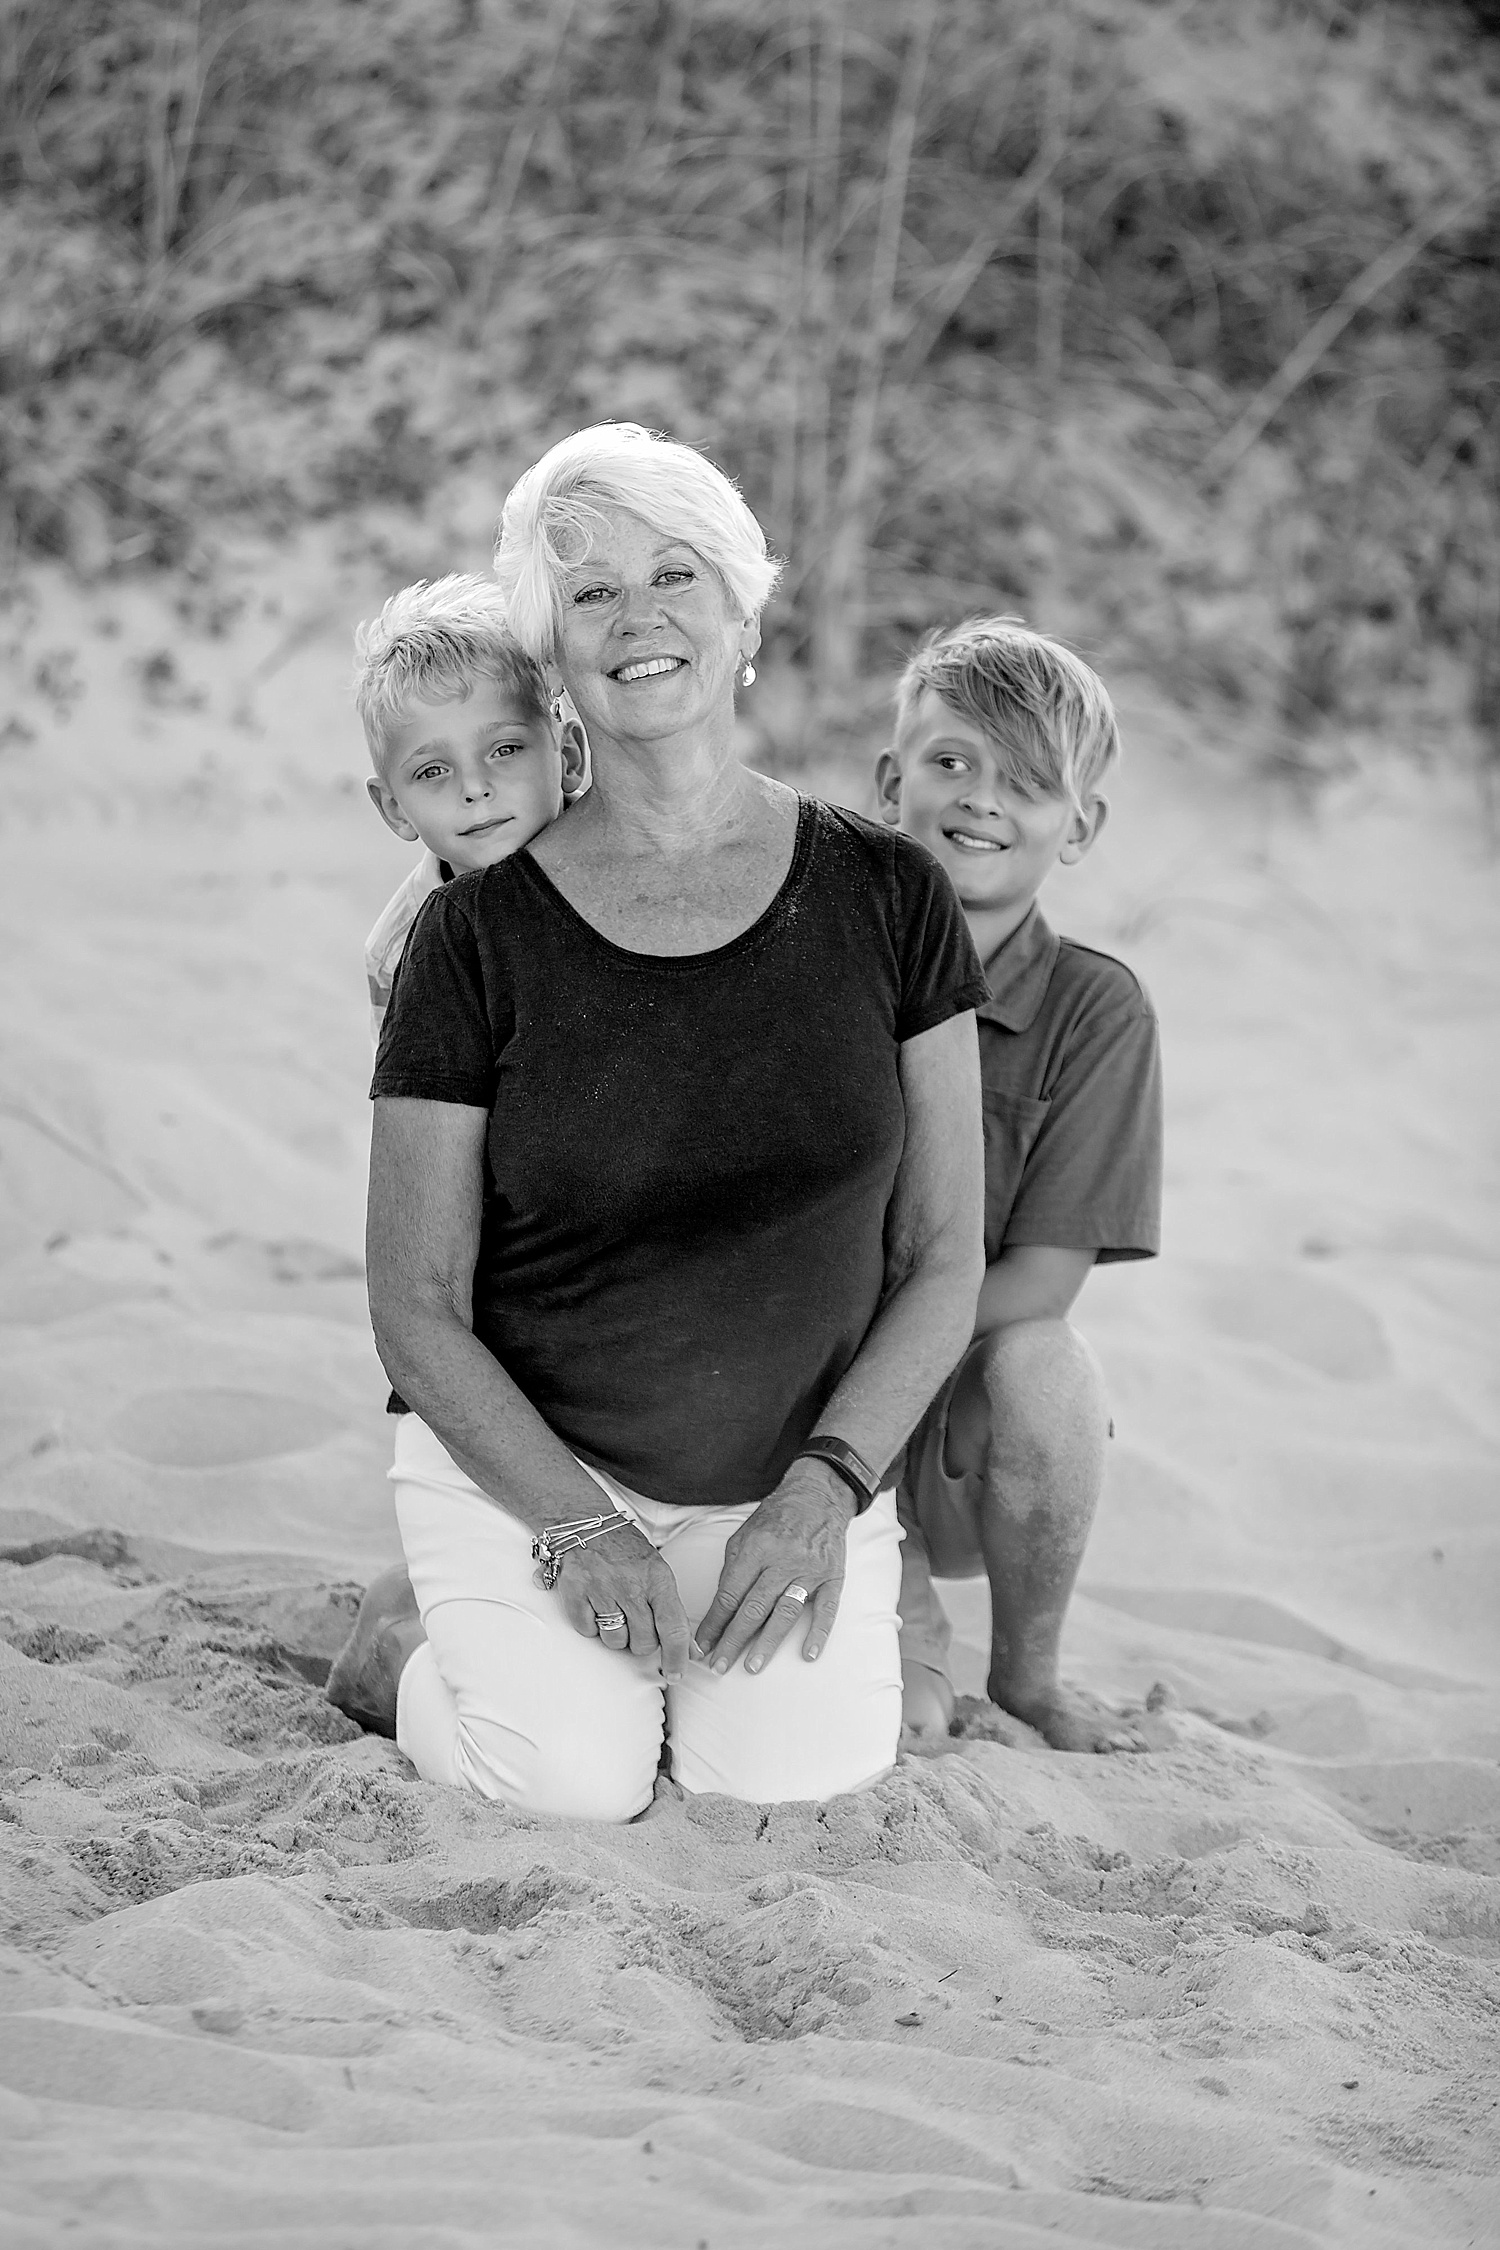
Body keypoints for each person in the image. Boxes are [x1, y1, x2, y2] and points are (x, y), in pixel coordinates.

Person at [326, 423, 988, 1821]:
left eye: (676, 574)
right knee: (566, 1784)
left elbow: (943, 1256)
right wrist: (574, 1521)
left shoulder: (889, 897)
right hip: (536, 1475)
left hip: (793, 1477)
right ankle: (407, 1653)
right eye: (590, 596)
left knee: (789, 1779)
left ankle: (676, 1642)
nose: (640, 620)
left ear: (742, 613)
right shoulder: (473, 939)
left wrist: (827, 1490)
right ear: (553, 661)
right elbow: (414, 1301)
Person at [874, 616, 1163, 1754]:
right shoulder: (815, 948)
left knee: (1049, 1371)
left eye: (1028, 782)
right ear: (891, 778)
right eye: (951, 763)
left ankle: (1028, 1677)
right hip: (766, 1392)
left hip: (942, 1415)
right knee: (896, 1720)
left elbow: (1044, 1279)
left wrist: (877, 1365)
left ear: (1079, 825)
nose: (981, 800)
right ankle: (894, 1625)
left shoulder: (1097, 1012)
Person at [355, 573, 588, 1043]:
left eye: (504, 749)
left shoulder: (642, 858)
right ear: (395, 809)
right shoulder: (400, 952)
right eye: (433, 771)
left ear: (568, 757)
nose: (475, 788)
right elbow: (421, 1100)